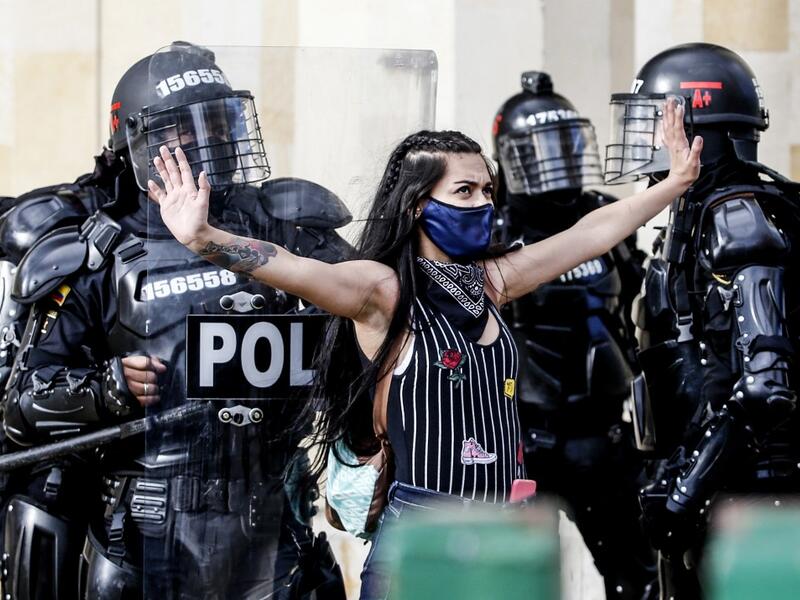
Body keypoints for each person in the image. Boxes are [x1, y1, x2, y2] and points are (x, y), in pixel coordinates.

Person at [149, 97, 700, 600]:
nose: (483, 203)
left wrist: (673, 184)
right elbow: (290, 266)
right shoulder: (380, 289)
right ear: (417, 204)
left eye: (487, 190)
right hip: (424, 536)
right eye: (464, 191)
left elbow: (590, 233)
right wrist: (203, 239)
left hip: (504, 530)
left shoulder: (490, 281)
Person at [1, 41, 348, 599]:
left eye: (217, 123)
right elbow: (20, 408)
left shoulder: (288, 228)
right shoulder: (97, 255)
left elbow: (376, 317)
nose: (206, 143)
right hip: (143, 534)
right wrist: (106, 388)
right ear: (138, 146)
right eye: (181, 134)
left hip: (274, 520)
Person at [604, 42, 800, 599]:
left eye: (657, 122)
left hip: (751, 494)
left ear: (695, 130)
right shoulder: (695, 215)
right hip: (710, 477)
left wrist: (687, 491)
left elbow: (766, 388)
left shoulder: (738, 221)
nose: (644, 140)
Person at [492, 71, 656, 599]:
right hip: (520, 440)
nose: (555, 158)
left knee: (639, 576)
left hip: (603, 435)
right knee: (513, 583)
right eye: (539, 147)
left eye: (564, 143)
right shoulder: (491, 230)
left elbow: (641, 309)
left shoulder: (603, 217)